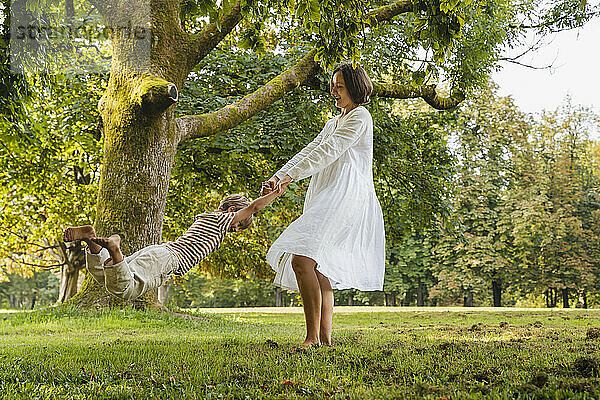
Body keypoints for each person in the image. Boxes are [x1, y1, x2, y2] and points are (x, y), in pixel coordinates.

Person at [262, 62, 385, 347]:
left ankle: (311, 338)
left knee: (301, 258)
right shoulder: (334, 122)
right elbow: (313, 149)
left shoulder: (360, 117)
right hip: (326, 194)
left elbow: (329, 152)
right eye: (333, 85)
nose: (333, 91)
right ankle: (324, 339)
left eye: (339, 86)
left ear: (355, 88)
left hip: (346, 196)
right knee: (317, 267)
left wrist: (290, 175)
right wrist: (279, 176)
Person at [63, 188, 287, 301]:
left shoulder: (206, 217)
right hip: (167, 259)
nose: (235, 229)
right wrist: (274, 194)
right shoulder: (222, 220)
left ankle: (90, 238)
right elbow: (253, 208)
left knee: (106, 275)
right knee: (126, 289)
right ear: (231, 212)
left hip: (159, 252)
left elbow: (250, 207)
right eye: (238, 225)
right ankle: (113, 247)